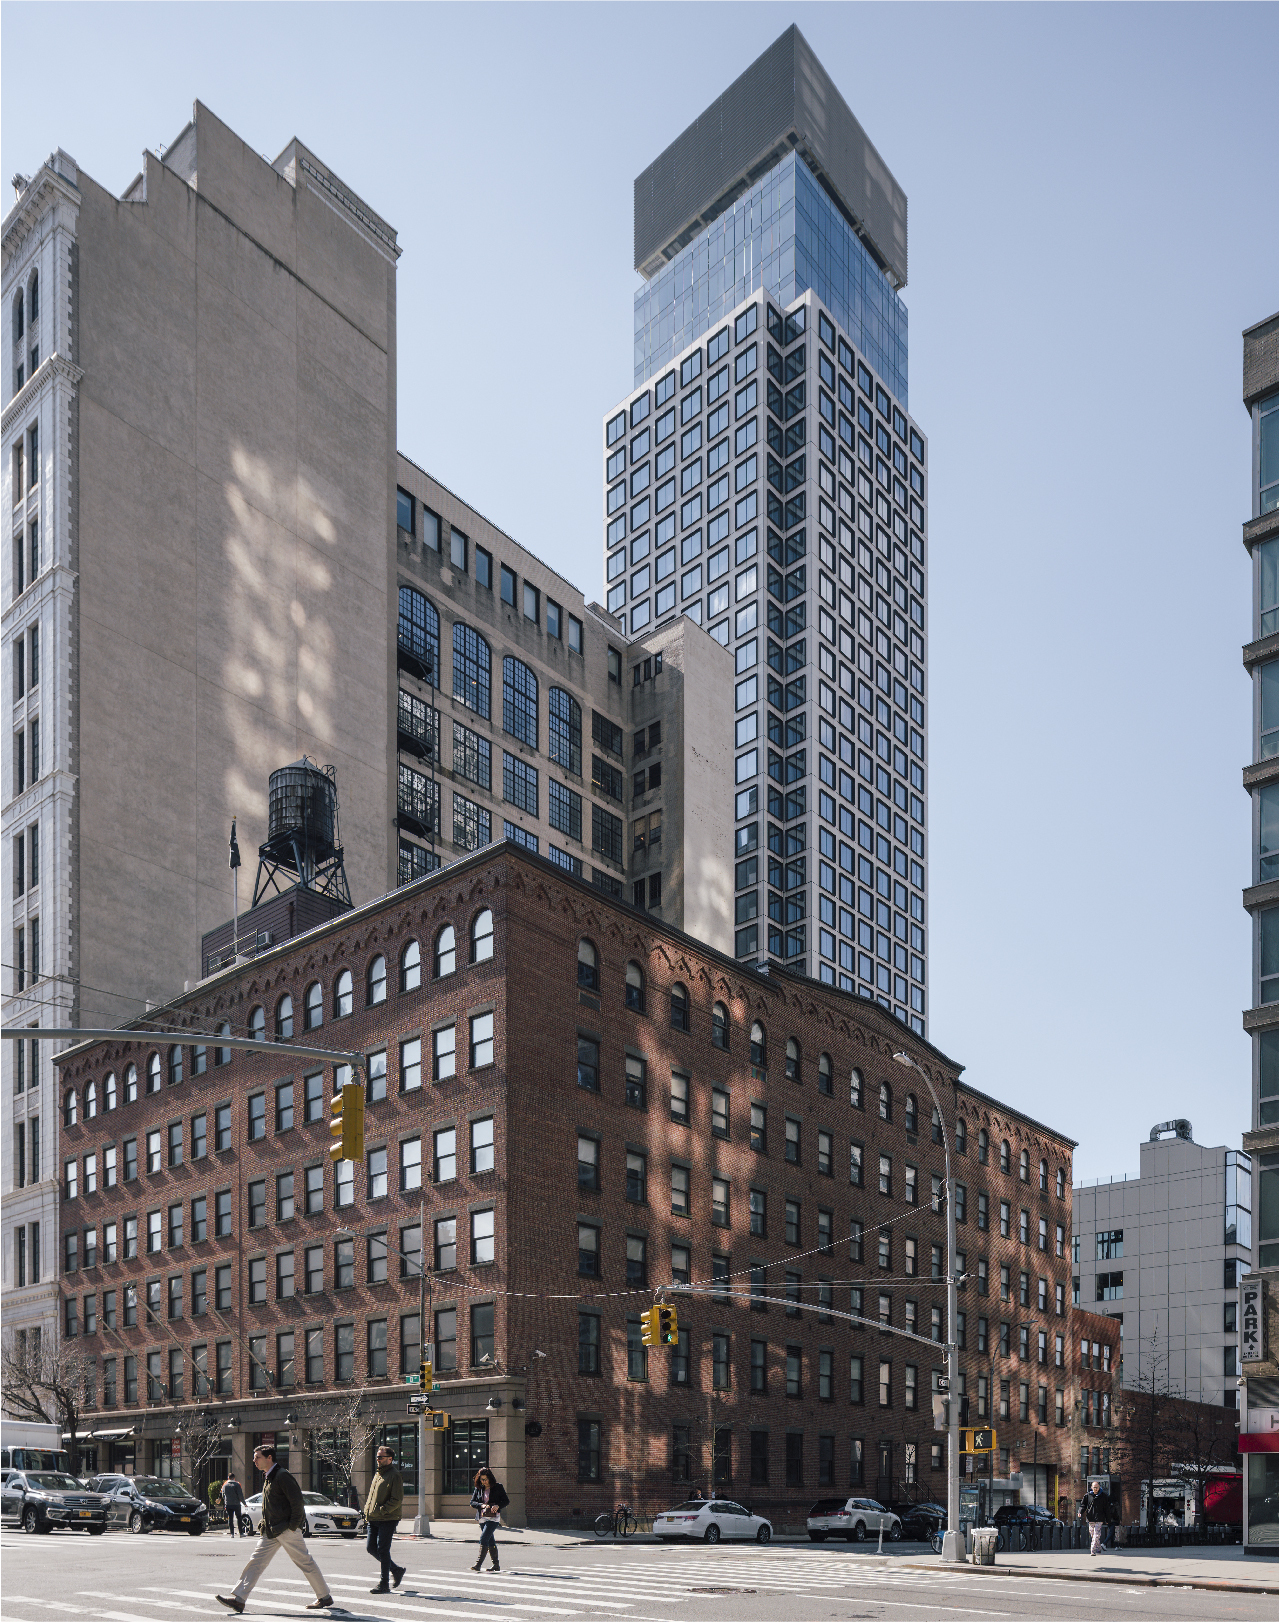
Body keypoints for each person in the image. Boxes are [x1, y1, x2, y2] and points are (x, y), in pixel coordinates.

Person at [216, 1445, 333, 1613]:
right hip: (271, 1530)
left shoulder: (282, 1476)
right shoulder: (269, 1476)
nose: (254, 1461)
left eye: (257, 1457)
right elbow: (271, 1505)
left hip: (286, 1529)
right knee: (256, 1561)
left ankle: (324, 1597)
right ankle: (239, 1599)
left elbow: (297, 1503)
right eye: (254, 1457)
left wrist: (293, 1527)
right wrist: (264, 1523)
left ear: (269, 1457)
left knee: (305, 1562)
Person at [364, 1445, 407, 1593]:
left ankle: (384, 1584)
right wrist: (367, 1511)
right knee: (371, 1548)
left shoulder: (394, 1475)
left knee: (383, 1550)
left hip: (387, 1518)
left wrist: (382, 1511)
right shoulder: (378, 1474)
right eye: (377, 1456)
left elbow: (397, 1499)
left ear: (390, 1459)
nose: (378, 1459)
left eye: (381, 1457)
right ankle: (396, 1570)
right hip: (373, 1518)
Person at [468, 1466, 509, 1573]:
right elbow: (472, 1502)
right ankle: (496, 1565)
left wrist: (498, 1506)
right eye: (482, 1479)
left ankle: (478, 1564)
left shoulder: (498, 1487)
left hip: (493, 1518)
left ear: (490, 1478)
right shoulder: (478, 1488)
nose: (484, 1481)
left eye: (485, 1479)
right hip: (482, 1518)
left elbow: (506, 1501)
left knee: (484, 1538)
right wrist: (481, 1505)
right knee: (490, 1540)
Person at [1079, 1479, 1111, 1557]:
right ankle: (1099, 1547)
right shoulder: (1087, 1495)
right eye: (1094, 1487)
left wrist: (1108, 1519)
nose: (1095, 1489)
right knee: (1093, 1535)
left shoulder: (1104, 1496)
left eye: (1097, 1487)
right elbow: (1083, 1505)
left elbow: (1107, 1508)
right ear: (1091, 1487)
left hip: (1100, 1518)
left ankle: (1092, 1550)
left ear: (1099, 1487)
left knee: (1097, 1534)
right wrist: (1080, 1512)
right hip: (1090, 1518)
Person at [221, 1473, 246, 1538]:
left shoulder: (225, 1485)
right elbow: (240, 1495)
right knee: (239, 1518)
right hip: (236, 1504)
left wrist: (225, 1501)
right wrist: (244, 1503)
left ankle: (232, 1533)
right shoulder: (237, 1485)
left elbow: (223, 1495)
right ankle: (241, 1533)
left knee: (230, 1518)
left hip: (228, 1504)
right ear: (234, 1478)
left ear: (228, 1478)